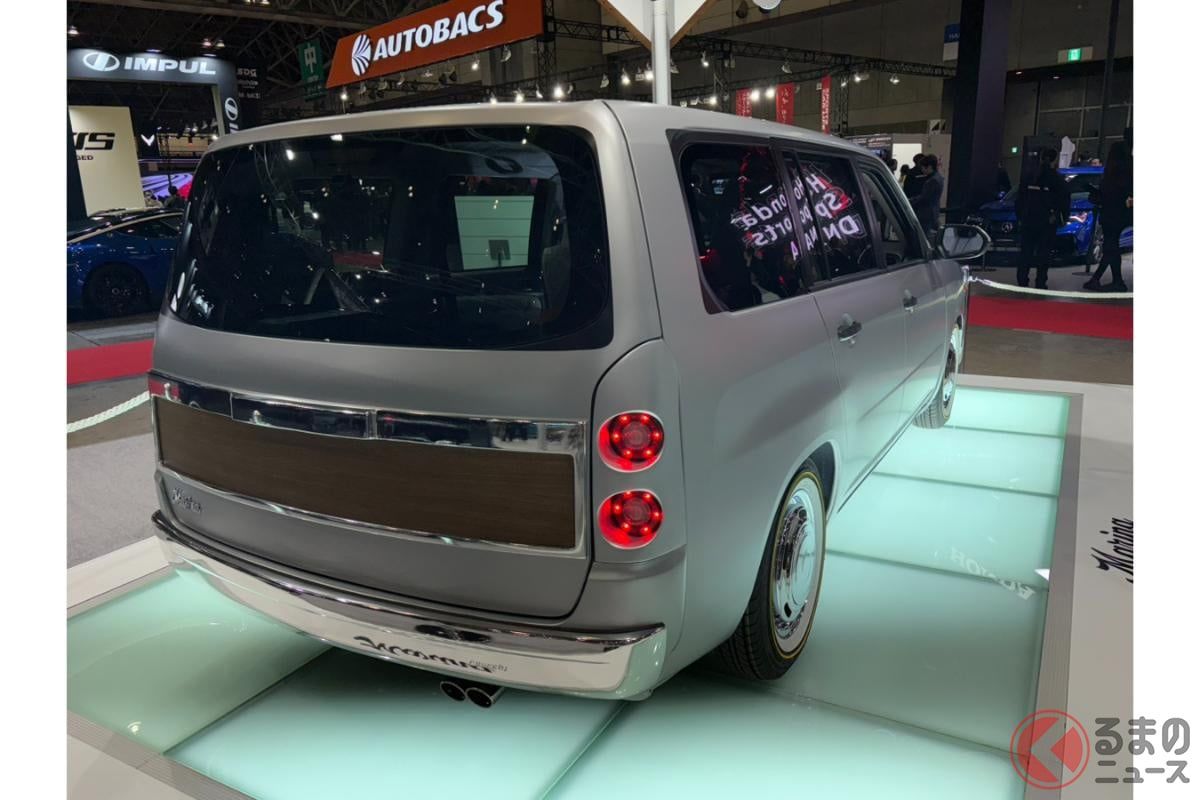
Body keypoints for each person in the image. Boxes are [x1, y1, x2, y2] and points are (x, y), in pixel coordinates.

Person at [1015, 147, 1070, 289]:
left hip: (1028, 219)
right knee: (1044, 253)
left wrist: (1020, 216)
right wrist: (1062, 218)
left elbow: (1020, 199)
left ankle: (1022, 280)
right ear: (1055, 160)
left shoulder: (1029, 177)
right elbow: (1064, 201)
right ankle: (1040, 281)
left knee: (1026, 251)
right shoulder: (1057, 179)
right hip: (1047, 221)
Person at [1083, 141, 1132, 292]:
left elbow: (1108, 194)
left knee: (1110, 246)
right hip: (1121, 213)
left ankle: (1109, 280)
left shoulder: (1113, 173)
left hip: (1111, 213)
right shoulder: (1128, 171)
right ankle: (1109, 280)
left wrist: (1096, 194)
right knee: (1111, 246)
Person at [912, 155, 944, 238]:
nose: (922, 170)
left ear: (929, 167)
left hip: (926, 213)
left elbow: (924, 198)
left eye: (923, 167)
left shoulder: (932, 180)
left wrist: (910, 201)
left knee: (921, 237)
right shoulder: (938, 177)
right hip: (933, 211)